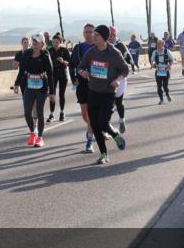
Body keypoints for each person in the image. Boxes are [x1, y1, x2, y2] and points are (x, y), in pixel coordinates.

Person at [77, 24, 129, 165]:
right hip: (93, 92)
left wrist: (117, 80)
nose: (93, 36)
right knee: (94, 125)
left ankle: (115, 135)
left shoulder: (114, 53)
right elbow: (80, 66)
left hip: (107, 93)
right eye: (93, 34)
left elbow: (125, 69)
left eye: (96, 35)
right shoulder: (91, 52)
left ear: (104, 38)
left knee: (103, 123)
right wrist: (82, 72)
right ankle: (104, 154)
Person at [13, 34, 56, 147]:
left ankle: (40, 138)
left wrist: (52, 92)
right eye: (33, 41)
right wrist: (16, 83)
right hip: (29, 85)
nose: (35, 43)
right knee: (27, 112)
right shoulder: (27, 54)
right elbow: (21, 70)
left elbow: (51, 75)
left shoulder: (46, 55)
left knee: (39, 112)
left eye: (37, 41)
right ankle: (33, 133)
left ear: (42, 44)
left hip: (42, 86)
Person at [69, 23, 98, 153]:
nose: (88, 34)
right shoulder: (78, 48)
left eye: (91, 32)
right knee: (85, 114)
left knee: (92, 113)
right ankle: (93, 127)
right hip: (81, 83)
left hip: (96, 84)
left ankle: (89, 140)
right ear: (83, 33)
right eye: (86, 32)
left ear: (95, 33)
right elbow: (71, 65)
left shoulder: (100, 48)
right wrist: (73, 78)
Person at [108, 26, 134, 133]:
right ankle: (106, 126)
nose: (111, 37)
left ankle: (122, 120)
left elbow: (129, 58)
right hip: (107, 79)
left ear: (115, 35)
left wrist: (130, 64)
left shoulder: (120, 45)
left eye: (112, 35)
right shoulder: (103, 46)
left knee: (118, 102)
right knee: (108, 104)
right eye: (109, 35)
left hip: (120, 78)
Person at [46, 34, 71, 123]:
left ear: (60, 42)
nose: (55, 44)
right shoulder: (49, 51)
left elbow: (69, 63)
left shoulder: (64, 50)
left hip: (62, 74)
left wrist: (63, 61)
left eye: (57, 42)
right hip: (53, 74)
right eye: (53, 42)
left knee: (61, 94)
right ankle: (52, 114)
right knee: (52, 94)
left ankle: (62, 112)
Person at [150, 39, 173, 103]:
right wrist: (153, 65)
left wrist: (169, 65)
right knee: (159, 86)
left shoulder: (167, 51)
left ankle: (167, 94)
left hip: (166, 71)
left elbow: (172, 60)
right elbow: (151, 60)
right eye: (158, 44)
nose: (158, 45)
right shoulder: (155, 52)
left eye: (160, 44)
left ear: (163, 44)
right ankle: (161, 99)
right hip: (158, 71)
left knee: (165, 86)